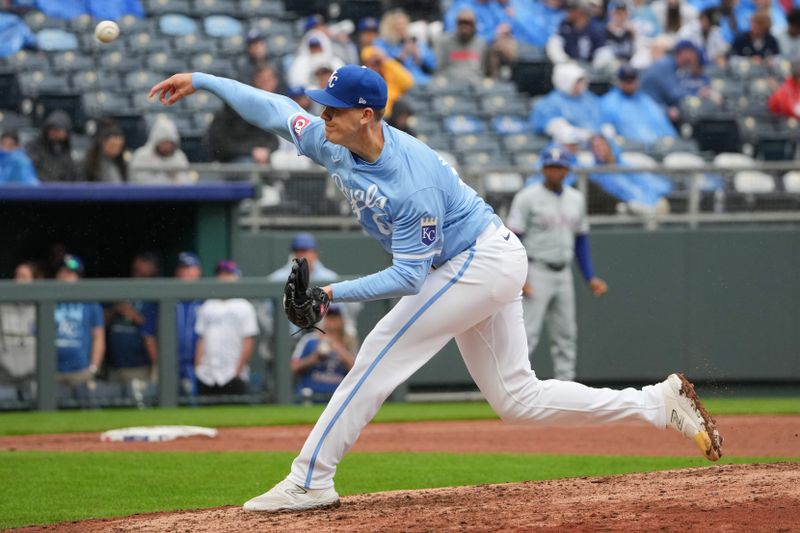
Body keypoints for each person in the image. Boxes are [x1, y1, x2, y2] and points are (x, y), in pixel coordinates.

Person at [149, 64, 723, 512]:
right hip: (479, 259)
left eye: (334, 109)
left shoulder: (410, 179)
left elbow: (408, 278)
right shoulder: (333, 140)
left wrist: (327, 295)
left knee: (377, 352)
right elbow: (276, 110)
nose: (322, 116)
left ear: (367, 115)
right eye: (323, 107)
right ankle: (656, 403)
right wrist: (203, 81)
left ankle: (308, 480)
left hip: (480, 262)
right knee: (517, 400)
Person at [506, 146, 608, 381]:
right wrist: (520, 278)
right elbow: (513, 240)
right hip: (535, 269)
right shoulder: (527, 197)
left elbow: (581, 240)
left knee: (566, 335)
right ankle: (512, 385)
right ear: (543, 168)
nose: (555, 171)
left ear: (567, 169)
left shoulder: (576, 199)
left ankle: (566, 387)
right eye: (551, 166)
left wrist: (589, 277)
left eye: (560, 167)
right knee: (527, 334)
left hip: (564, 272)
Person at [267, 232, 361, 340]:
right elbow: (266, 312)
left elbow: (348, 309)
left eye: (306, 251)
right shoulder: (278, 278)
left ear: (315, 253)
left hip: (325, 337)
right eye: (298, 251)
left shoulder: (329, 277)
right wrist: (274, 331)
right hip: (289, 338)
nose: (302, 255)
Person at [194, 260, 258, 396]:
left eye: (228, 274)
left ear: (236, 277)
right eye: (221, 274)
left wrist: (236, 371)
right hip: (207, 374)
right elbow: (201, 339)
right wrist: (198, 367)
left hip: (232, 374)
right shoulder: (208, 305)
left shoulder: (243, 306)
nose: (224, 278)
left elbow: (248, 341)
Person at [105, 253, 158, 402]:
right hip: (115, 365)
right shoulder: (122, 290)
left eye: (144, 272)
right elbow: (100, 322)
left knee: (139, 405)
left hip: (139, 366)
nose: (138, 274)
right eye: (136, 270)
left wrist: (132, 314)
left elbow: (152, 329)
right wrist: (116, 309)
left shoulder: (154, 295)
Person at [54, 254, 105, 397]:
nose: (64, 276)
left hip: (80, 371)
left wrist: (93, 369)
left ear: (78, 276)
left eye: (69, 273)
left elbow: (98, 337)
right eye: (61, 272)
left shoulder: (90, 302)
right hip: (52, 371)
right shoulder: (50, 300)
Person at [208, 66, 280, 164]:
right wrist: (252, 151)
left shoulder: (259, 110)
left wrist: (266, 150)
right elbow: (222, 147)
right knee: (246, 163)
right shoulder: (223, 115)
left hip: (260, 157)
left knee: (279, 161)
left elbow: (273, 140)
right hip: (231, 162)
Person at [291, 305, 356, 403]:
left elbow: (357, 371)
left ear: (342, 320)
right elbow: (294, 367)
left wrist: (340, 350)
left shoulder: (349, 342)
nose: (332, 323)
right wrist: (315, 357)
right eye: (329, 318)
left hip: (337, 398)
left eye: (336, 318)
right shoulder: (310, 340)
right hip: (311, 396)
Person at [599, 65, 678, 144]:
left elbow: (663, 125)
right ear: (619, 82)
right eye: (627, 81)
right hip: (630, 150)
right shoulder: (608, 102)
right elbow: (606, 131)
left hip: (657, 149)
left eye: (633, 80)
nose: (631, 84)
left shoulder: (646, 100)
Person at [640, 39, 715, 121]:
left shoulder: (673, 65)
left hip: (657, 107)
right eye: (693, 53)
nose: (695, 57)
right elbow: (674, 94)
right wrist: (698, 93)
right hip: (648, 110)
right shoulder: (665, 64)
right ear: (685, 52)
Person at [530, 62, 603, 140]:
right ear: (566, 82)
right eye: (577, 82)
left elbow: (601, 116)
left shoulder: (589, 97)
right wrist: (581, 134)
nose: (581, 85)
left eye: (582, 81)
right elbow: (556, 129)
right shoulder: (549, 104)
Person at [0, 261, 40, 398]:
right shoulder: (2, 305)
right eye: (16, 275)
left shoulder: (42, 307)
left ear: (34, 280)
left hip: (33, 378)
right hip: (4, 378)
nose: (18, 280)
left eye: (23, 276)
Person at [374, 9, 437, 85]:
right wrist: (402, 56)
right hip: (397, 83)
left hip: (421, 81)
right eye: (397, 24)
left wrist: (418, 55)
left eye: (404, 24)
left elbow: (433, 66)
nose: (401, 28)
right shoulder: (381, 44)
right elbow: (384, 68)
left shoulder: (415, 43)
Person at [129, 115, 192, 184]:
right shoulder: (142, 155)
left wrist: (175, 177)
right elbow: (139, 180)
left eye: (169, 143)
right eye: (164, 142)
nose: (167, 146)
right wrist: (165, 176)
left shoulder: (179, 157)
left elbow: (186, 181)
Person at [175, 252, 203, 397]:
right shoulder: (170, 299)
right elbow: (149, 334)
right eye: (183, 268)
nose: (186, 272)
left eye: (190, 268)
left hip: (199, 363)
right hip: (171, 363)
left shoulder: (206, 300)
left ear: (198, 271)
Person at [546, 0, 608, 65]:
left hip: (590, 67)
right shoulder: (564, 26)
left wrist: (595, 66)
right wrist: (565, 61)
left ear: (581, 12)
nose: (567, 12)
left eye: (571, 10)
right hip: (568, 66)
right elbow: (554, 45)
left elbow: (602, 51)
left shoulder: (594, 29)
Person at [435, 8, 488, 82]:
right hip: (451, 86)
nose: (464, 27)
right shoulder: (445, 43)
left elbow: (485, 70)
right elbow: (439, 69)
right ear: (456, 24)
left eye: (468, 23)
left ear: (474, 25)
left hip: (475, 86)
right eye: (461, 23)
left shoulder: (481, 44)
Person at [25, 110, 79, 182]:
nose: (55, 133)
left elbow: (73, 175)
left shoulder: (66, 151)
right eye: (52, 129)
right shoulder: (34, 148)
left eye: (59, 129)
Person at [360, 46, 414, 119]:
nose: (376, 66)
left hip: (393, 117)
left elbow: (408, 82)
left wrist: (387, 61)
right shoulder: (363, 80)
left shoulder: (389, 75)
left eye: (378, 63)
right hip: (377, 117)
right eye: (373, 63)